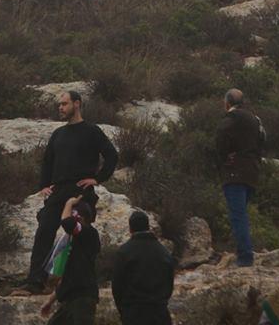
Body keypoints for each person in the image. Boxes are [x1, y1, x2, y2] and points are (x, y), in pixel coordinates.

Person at [17, 90, 118, 295]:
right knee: (44, 230)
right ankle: (35, 282)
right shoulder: (58, 134)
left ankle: (79, 284)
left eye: (64, 104)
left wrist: (97, 179)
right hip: (58, 190)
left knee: (79, 235)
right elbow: (47, 162)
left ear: (77, 104)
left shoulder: (92, 131)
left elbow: (112, 156)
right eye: (59, 105)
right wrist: (44, 185)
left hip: (80, 191)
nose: (60, 108)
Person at [215, 88, 264, 267]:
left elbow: (220, 140)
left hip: (235, 172)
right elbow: (263, 140)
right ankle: (243, 252)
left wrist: (224, 158)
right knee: (241, 213)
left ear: (227, 102)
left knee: (238, 216)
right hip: (252, 172)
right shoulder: (255, 119)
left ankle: (244, 258)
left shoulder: (231, 118)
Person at [39, 195, 101, 325]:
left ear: (80, 218)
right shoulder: (72, 245)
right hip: (69, 299)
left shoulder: (89, 233)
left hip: (83, 297)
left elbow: (67, 223)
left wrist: (69, 203)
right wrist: (50, 301)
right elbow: (67, 278)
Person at [111, 211, 175, 325]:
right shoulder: (163, 252)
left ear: (130, 229)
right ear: (148, 226)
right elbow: (169, 283)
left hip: (134, 313)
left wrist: (124, 311)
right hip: (159, 313)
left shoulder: (124, 252)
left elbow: (117, 286)